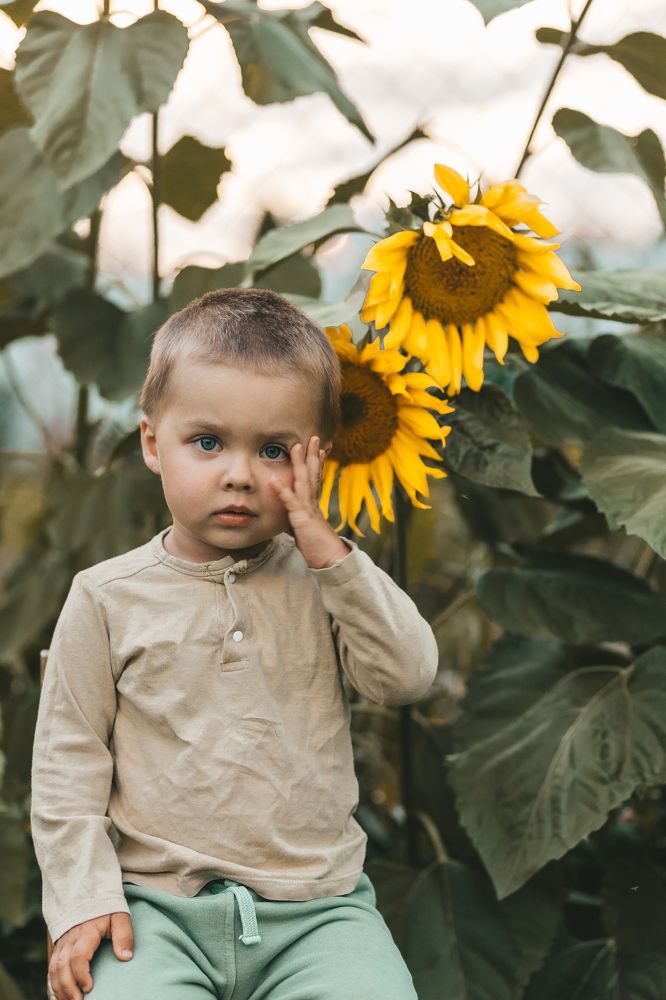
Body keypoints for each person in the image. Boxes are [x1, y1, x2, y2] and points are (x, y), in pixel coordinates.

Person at [31, 287, 439, 1000]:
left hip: (319, 913)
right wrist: (82, 900)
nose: (240, 474)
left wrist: (327, 549)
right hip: (153, 909)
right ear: (153, 442)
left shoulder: (328, 581)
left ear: (319, 458)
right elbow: (69, 761)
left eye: (274, 450)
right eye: (208, 442)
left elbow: (405, 677)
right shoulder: (105, 596)